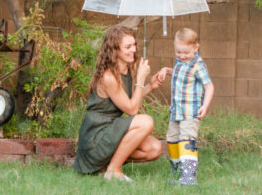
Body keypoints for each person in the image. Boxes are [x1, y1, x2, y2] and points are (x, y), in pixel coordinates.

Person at [73, 25, 163, 182]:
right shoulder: (109, 76)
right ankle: (113, 170)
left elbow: (128, 101)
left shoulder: (126, 70)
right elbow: (132, 109)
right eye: (127, 46)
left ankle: (106, 165)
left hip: (110, 129)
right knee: (146, 121)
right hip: (96, 137)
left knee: (155, 149)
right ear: (115, 50)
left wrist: (150, 86)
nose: (133, 50)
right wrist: (141, 79)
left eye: (134, 45)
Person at [158, 27, 214, 186]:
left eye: (185, 53)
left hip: (190, 113)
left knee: (186, 140)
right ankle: (176, 169)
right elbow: (177, 72)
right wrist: (165, 70)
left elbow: (209, 86)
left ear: (196, 48)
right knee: (172, 140)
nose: (182, 56)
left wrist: (205, 106)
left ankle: (189, 177)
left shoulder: (198, 65)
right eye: (178, 52)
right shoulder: (180, 61)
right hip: (176, 111)